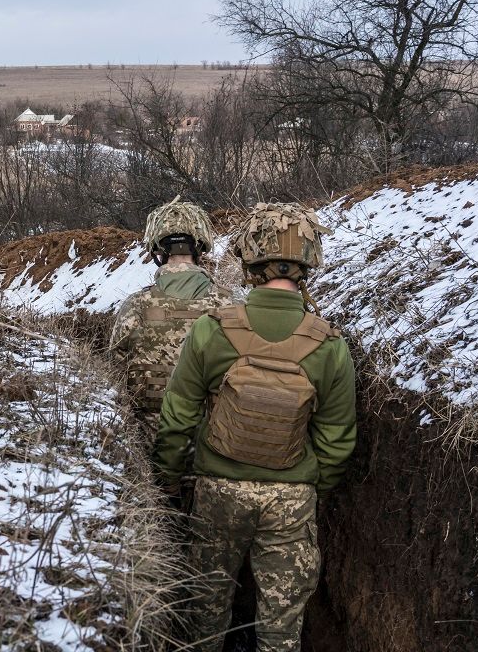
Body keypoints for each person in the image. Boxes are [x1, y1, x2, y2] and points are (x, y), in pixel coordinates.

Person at [152, 202, 356, 652]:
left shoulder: (212, 329)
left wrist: (168, 478)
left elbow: (179, 416)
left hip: (217, 492)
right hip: (291, 500)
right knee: (282, 625)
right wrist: (309, 489)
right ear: (308, 264)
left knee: (205, 610)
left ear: (249, 263)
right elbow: (337, 439)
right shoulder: (330, 345)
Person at [110, 199, 233, 433]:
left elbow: (115, 376)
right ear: (200, 247)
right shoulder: (231, 304)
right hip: (214, 445)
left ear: (158, 250)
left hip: (151, 444)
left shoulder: (135, 305)